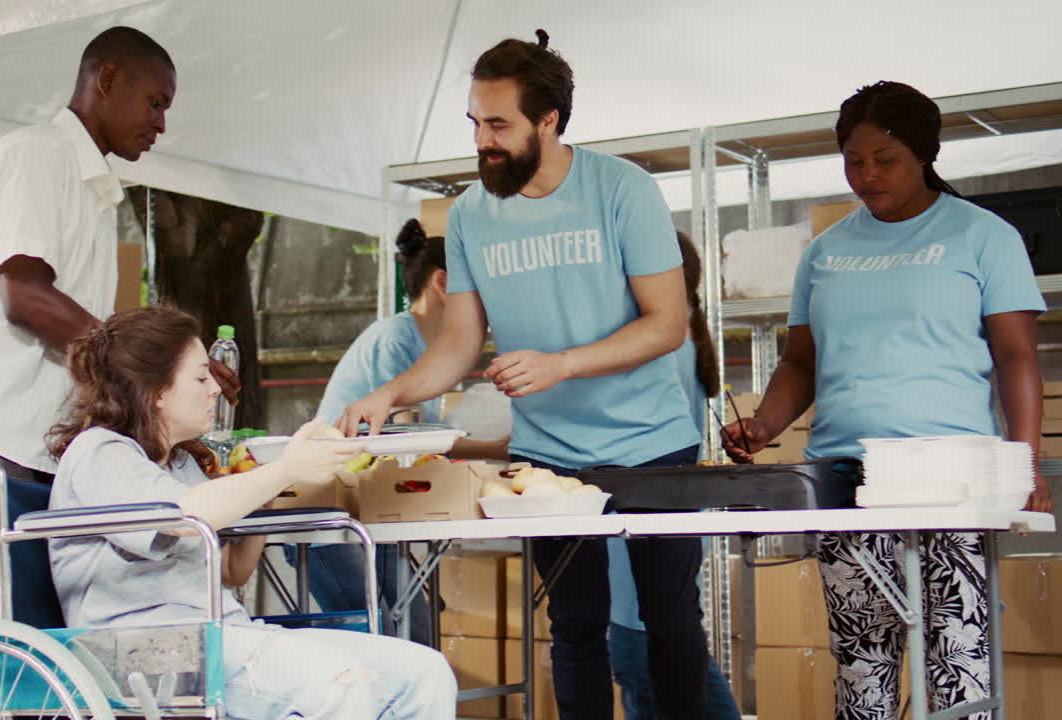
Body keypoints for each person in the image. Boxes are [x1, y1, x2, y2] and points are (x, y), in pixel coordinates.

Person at [338, 31, 710, 719]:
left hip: (653, 443)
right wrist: (388, 395)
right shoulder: (473, 214)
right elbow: (458, 344)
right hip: (550, 460)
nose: (483, 139)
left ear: (549, 121)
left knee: (670, 624)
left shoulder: (623, 189)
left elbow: (667, 324)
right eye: (476, 122)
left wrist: (560, 364)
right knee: (574, 628)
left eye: (499, 124)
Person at [0, 27, 239, 715]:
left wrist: (170, 394)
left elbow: (86, 348)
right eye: (154, 101)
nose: (161, 122)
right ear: (106, 79)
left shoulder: (97, 192)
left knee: (42, 674)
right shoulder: (33, 154)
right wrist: (153, 368)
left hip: (45, 452)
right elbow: (24, 293)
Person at [722, 81, 1051, 720]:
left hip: (951, 482)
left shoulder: (983, 236)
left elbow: (1016, 357)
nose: (866, 175)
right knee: (862, 665)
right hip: (846, 481)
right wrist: (763, 424)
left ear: (925, 155)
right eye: (853, 161)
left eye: (885, 160)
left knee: (956, 665)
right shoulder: (824, 251)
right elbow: (800, 362)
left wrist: (1025, 463)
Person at [47, 305, 457, 719]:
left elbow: (231, 572)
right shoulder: (100, 452)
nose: (215, 389)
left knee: (425, 673)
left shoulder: (180, 464)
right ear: (157, 392)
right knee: (341, 684)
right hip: (140, 648)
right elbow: (183, 516)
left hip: (219, 636)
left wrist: (268, 490)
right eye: (201, 376)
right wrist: (286, 469)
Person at [286, 218, 507, 643]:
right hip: (328, 512)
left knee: (410, 633)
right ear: (443, 283)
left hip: (367, 508)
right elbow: (408, 437)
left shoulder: (423, 346)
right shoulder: (397, 340)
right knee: (388, 635)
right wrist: (497, 452)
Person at [606, 232, 740, 720]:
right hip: (665, 523)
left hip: (644, 527)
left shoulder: (656, 344)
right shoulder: (682, 335)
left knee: (652, 666)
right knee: (680, 668)